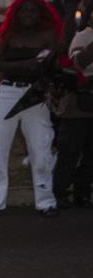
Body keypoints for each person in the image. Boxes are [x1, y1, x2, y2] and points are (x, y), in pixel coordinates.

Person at [0, 0, 64, 218]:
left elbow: (55, 64)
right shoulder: (8, 35)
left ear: (41, 13)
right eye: (23, 11)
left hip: (36, 95)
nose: (28, 15)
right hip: (8, 92)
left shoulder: (49, 34)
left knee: (41, 150)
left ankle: (46, 201)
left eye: (32, 11)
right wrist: (25, 64)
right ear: (16, 13)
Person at [55, 14, 93, 207]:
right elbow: (76, 64)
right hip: (78, 101)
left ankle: (83, 192)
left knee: (90, 153)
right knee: (70, 150)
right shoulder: (82, 36)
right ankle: (59, 191)